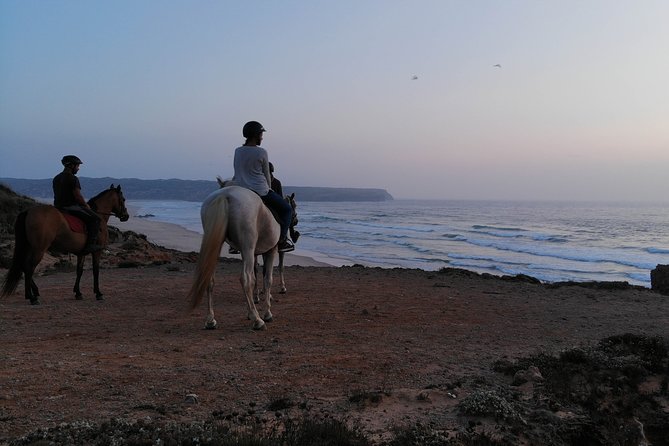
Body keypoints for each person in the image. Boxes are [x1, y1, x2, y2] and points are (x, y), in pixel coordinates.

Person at [232, 121, 294, 252]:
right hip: (261, 190)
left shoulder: (237, 151)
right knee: (287, 210)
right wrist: (269, 189)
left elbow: (237, 171)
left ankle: (233, 244)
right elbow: (267, 175)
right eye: (261, 134)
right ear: (255, 135)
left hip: (241, 189)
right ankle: (282, 241)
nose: (262, 137)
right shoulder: (261, 152)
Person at [53, 155, 102, 253]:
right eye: (77, 166)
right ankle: (90, 245)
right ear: (71, 166)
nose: (78, 168)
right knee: (96, 219)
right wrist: (85, 205)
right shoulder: (73, 178)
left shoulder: (56, 178)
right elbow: (78, 196)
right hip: (71, 207)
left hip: (58, 207)